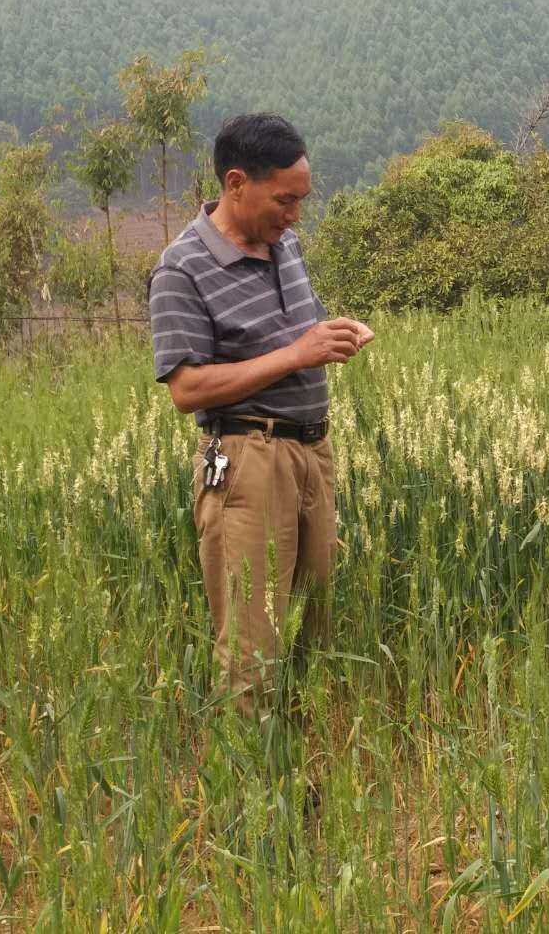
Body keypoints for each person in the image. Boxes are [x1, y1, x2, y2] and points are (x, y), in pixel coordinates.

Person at [148, 113, 373, 723]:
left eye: (301, 200)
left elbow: (298, 332)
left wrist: (333, 335)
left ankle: (307, 772)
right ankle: (249, 794)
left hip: (310, 454)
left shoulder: (285, 244)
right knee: (254, 643)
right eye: (285, 199)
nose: (295, 214)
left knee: (313, 624)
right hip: (248, 461)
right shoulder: (182, 269)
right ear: (236, 182)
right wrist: (297, 355)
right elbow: (187, 386)